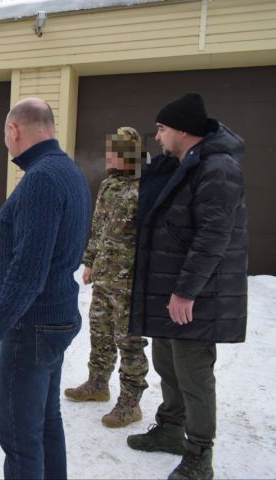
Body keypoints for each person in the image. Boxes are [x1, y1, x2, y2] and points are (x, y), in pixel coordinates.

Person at [127, 93, 248, 480]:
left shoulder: (218, 169)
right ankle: (169, 429)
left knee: (194, 374)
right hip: (169, 289)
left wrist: (186, 291)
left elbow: (214, 235)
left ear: (182, 130)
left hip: (195, 295)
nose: (157, 137)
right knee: (167, 363)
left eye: (162, 129)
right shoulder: (180, 165)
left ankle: (199, 454)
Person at [0, 98, 91, 479]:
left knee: (20, 437)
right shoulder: (65, 170)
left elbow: (28, 273)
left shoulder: (41, 179)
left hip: (32, 324)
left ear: (14, 130)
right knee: (45, 420)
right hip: (54, 318)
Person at [64, 127, 149, 428]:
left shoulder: (148, 186)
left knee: (129, 340)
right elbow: (98, 227)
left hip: (130, 280)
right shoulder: (109, 185)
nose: (107, 157)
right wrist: (89, 262)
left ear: (128, 154)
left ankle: (130, 403)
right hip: (104, 275)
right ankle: (98, 384)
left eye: (113, 152)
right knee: (99, 332)